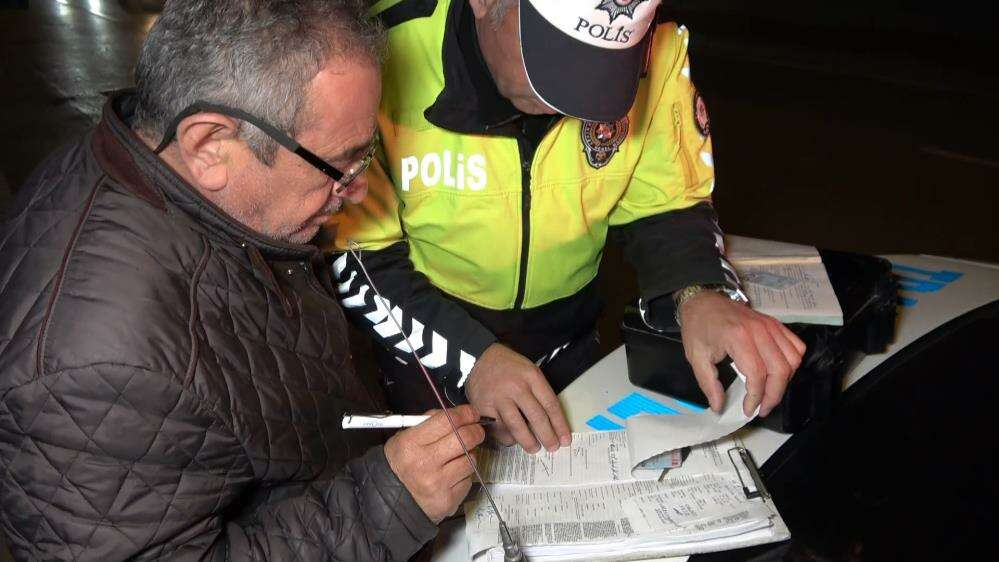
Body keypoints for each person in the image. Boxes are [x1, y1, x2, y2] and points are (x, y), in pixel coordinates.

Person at [0, 1, 485, 560]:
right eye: (340, 165)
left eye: (365, 155)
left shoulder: (170, 171)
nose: (357, 190)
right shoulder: (92, 369)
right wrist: (385, 505)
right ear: (210, 145)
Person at [327, 0, 806, 454]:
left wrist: (697, 291)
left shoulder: (654, 48)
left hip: (570, 344)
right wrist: (473, 359)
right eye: (554, 52)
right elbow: (360, 259)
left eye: (605, 67)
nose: (578, 96)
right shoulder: (381, 51)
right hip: (422, 347)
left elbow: (666, 200)